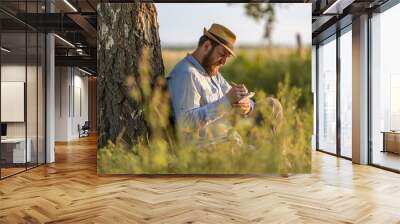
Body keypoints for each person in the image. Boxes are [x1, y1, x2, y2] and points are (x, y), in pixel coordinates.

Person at [167, 23, 254, 146]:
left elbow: (235, 98)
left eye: (227, 57)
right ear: (207, 46)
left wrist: (246, 105)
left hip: (229, 141)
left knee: (272, 105)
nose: (224, 62)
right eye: (222, 55)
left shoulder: (212, 73)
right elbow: (185, 123)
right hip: (210, 149)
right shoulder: (187, 74)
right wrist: (227, 101)